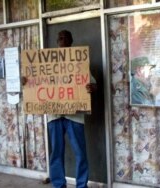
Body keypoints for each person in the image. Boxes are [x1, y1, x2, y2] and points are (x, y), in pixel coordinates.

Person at [47, 30, 97, 188]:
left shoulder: (79, 62)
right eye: (59, 38)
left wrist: (92, 87)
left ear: (70, 41)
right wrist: (27, 81)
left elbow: (94, 84)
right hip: (54, 115)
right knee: (56, 153)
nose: (60, 40)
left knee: (80, 153)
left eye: (64, 37)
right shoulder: (47, 64)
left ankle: (81, 185)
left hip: (74, 116)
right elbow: (37, 83)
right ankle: (58, 185)